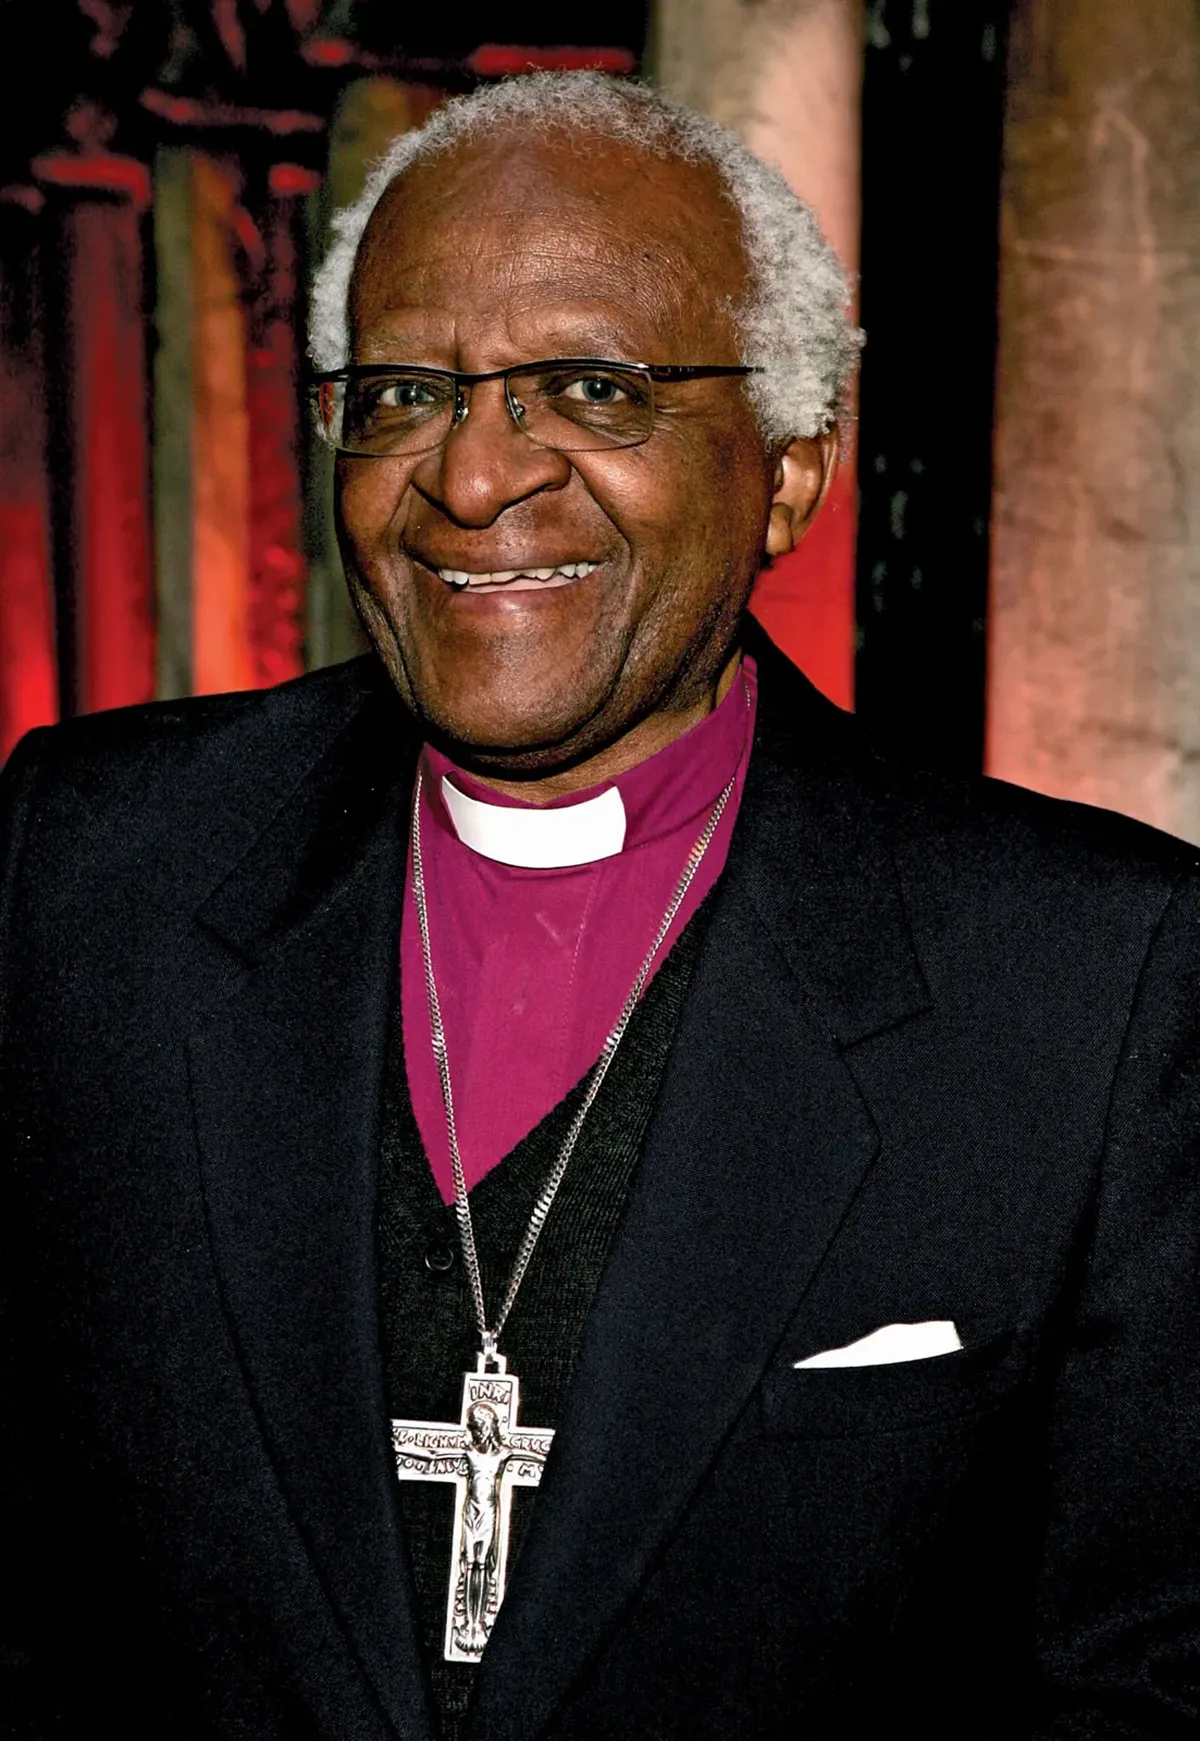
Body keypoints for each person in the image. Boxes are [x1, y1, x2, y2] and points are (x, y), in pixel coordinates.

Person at [3, 70, 1200, 1741]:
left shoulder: (1095, 981)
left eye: (592, 388)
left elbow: (1138, 1682)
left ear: (790, 472)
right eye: (406, 392)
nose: (473, 477)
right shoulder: (90, 867)